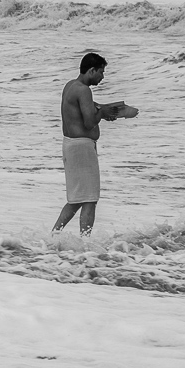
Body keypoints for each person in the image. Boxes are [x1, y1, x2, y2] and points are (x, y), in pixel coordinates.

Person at [52, 52, 124, 237]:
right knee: (90, 199)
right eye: (101, 72)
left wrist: (102, 109)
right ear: (91, 70)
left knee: (76, 199)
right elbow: (89, 123)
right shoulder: (84, 90)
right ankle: (85, 242)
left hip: (70, 145)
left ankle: (54, 236)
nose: (102, 77)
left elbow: (85, 107)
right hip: (82, 147)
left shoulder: (70, 86)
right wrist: (100, 114)